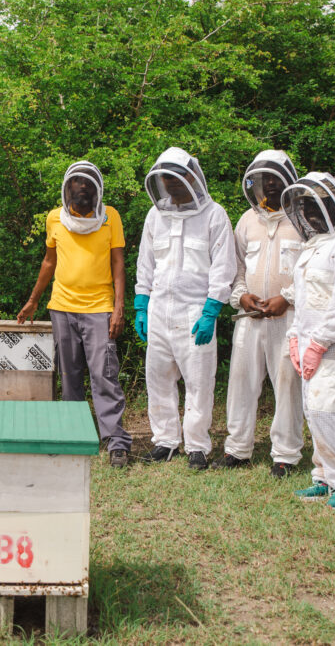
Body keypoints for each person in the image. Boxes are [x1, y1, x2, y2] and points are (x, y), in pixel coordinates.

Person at [16, 161, 133, 467]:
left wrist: (119, 307)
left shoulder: (111, 218)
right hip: (62, 307)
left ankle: (115, 441)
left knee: (104, 374)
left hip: (99, 308)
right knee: (69, 375)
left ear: (97, 191)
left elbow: (118, 264)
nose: (81, 190)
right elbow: (48, 262)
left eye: (87, 186)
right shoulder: (55, 218)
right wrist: (33, 300)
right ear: (66, 190)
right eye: (76, 186)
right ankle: (74, 434)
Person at [134, 147, 236, 471]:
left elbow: (223, 266)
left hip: (195, 311)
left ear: (192, 179)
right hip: (159, 309)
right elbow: (145, 263)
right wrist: (141, 304)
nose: (172, 188)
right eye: (167, 182)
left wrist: (211, 311)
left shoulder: (214, 215)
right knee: (158, 379)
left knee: (199, 382)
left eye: (177, 182)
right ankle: (164, 440)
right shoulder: (156, 215)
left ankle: (196, 445)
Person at [281, 172, 335, 510]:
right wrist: (295, 337)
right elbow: (305, 300)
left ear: (332, 205)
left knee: (328, 409)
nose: (308, 215)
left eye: (314, 206)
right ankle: (324, 476)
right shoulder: (313, 246)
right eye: (303, 208)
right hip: (309, 342)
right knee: (313, 410)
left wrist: (319, 342)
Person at [222, 150, 306, 477]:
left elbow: (313, 271)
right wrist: (241, 296)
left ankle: (285, 454)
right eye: (263, 179)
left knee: (287, 383)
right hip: (250, 318)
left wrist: (287, 298)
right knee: (241, 380)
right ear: (254, 183)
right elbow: (237, 268)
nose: (270, 185)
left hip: (290, 317)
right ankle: (237, 448)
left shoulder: (303, 218)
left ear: (289, 180)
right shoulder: (247, 220)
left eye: (276, 178)